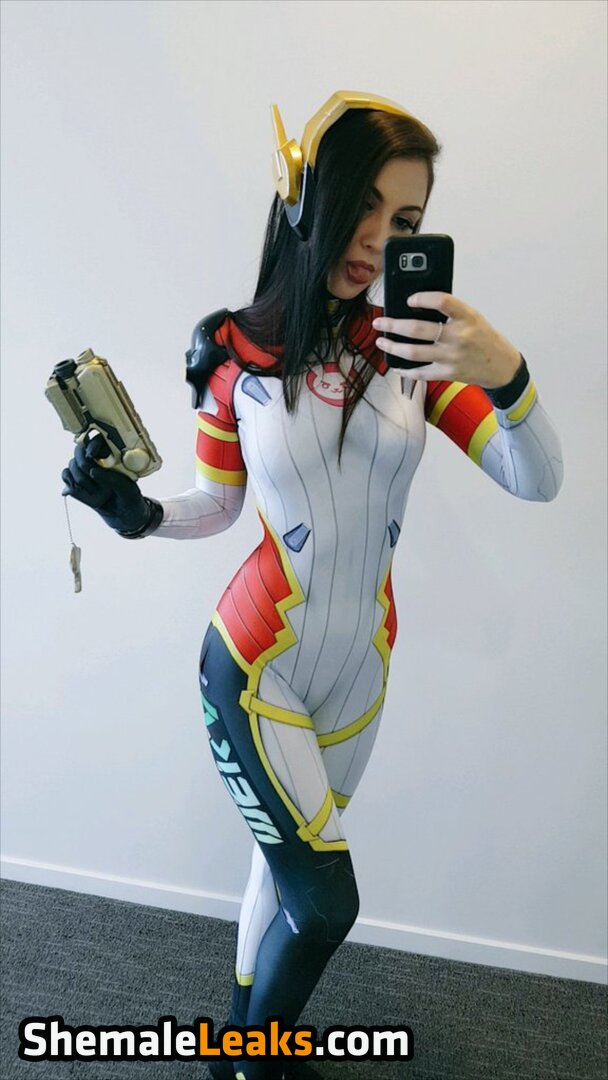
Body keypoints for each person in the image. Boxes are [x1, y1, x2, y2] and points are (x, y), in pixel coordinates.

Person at [62, 92, 564, 1080]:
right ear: (302, 196)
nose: (379, 239)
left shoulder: (416, 355)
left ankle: (240, 1043)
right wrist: (135, 513)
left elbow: (535, 478)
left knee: (285, 869)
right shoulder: (232, 353)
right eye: (361, 204)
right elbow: (217, 504)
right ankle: (257, 1061)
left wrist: (506, 373)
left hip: (361, 669)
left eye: (405, 220)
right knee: (325, 900)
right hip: (256, 667)